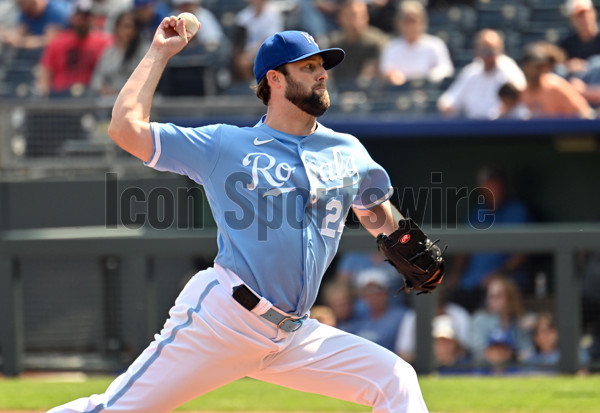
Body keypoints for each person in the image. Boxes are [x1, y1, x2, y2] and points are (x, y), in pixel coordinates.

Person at [47, 21, 431, 412]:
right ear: (275, 79)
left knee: (394, 379)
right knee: (113, 409)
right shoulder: (226, 145)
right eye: (308, 67)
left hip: (293, 333)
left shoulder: (346, 149)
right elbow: (125, 128)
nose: (321, 74)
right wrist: (159, 52)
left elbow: (374, 212)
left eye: (322, 66)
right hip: (225, 319)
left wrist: (403, 239)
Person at [447, 165, 530, 312]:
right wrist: (456, 275)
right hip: (471, 282)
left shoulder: (517, 211)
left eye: (496, 184)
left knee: (492, 294)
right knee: (449, 299)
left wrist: (499, 273)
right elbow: (463, 249)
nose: (493, 188)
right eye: (488, 184)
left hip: (502, 280)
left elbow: (523, 252)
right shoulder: (477, 213)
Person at [437, 29, 526, 119]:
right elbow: (448, 101)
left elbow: (522, 97)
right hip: (475, 127)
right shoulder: (471, 71)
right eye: (486, 51)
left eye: (494, 51)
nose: (490, 56)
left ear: (501, 49)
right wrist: (447, 108)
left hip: (504, 127)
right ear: (477, 51)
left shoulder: (509, 69)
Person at [36, 0, 113, 98]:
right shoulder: (58, 42)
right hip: (60, 96)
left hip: (91, 96)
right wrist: (43, 94)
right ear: (72, 18)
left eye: (86, 16)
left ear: (93, 19)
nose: (83, 20)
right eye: (79, 16)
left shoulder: (105, 42)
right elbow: (46, 71)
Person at [379, 0, 453, 86]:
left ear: (423, 22)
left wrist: (428, 76)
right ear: (399, 23)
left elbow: (446, 69)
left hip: (428, 89)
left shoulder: (435, 44)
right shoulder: (391, 47)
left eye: (414, 21)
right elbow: (386, 70)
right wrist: (393, 75)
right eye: (407, 21)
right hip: (401, 91)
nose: (411, 26)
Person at [469, 275, 534, 370]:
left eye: (499, 296)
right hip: (486, 370)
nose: (493, 300)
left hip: (517, 371)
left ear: (510, 298)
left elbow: (528, 351)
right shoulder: (480, 319)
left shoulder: (520, 319)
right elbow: (478, 352)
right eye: (491, 296)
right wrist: (501, 355)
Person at [520, 42, 593, 118]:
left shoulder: (556, 86)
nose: (541, 70)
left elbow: (584, 112)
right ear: (525, 66)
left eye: (543, 66)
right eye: (537, 66)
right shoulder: (522, 92)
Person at [328, 0, 388, 91]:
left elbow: (369, 76)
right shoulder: (334, 43)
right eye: (350, 16)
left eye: (359, 15)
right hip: (339, 94)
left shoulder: (377, 42)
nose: (354, 20)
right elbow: (329, 75)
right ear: (340, 18)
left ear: (366, 17)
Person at [91, 10, 149, 98]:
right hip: (109, 99)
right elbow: (96, 80)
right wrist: (103, 89)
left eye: (132, 27)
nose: (129, 31)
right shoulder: (109, 51)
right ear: (117, 28)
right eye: (126, 26)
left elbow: (145, 81)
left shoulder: (144, 51)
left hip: (135, 98)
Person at [350, 268, 409, 352]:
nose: (374, 296)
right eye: (368, 292)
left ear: (387, 292)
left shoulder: (404, 316)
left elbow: (406, 354)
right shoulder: (357, 318)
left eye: (378, 290)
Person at [232, 0, 284, 82]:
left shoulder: (274, 12)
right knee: (240, 60)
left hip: (269, 48)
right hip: (248, 50)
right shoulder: (243, 15)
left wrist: (251, 54)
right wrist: (241, 55)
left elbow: (270, 38)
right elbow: (239, 39)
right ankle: (250, 85)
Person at [0, 0, 70, 51]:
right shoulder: (26, 12)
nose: (26, 12)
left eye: (29, 8)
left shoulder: (56, 11)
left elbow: (50, 41)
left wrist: (22, 42)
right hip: (36, 54)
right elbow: (20, 33)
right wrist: (8, 36)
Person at [559, 0, 600, 76]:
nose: (584, 18)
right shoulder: (567, 43)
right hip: (577, 82)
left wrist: (587, 66)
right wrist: (568, 65)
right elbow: (560, 65)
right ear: (572, 19)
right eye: (579, 16)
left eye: (587, 13)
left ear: (594, 13)